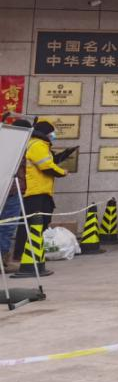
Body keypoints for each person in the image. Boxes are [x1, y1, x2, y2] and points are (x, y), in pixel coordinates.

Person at [10, 120, 66, 274]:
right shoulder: (38, 144)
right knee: (31, 224)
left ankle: (33, 252)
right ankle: (22, 255)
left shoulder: (40, 144)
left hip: (40, 190)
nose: (53, 135)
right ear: (46, 132)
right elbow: (46, 166)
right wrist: (62, 172)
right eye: (52, 132)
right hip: (34, 191)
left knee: (39, 222)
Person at [1, 117, 29, 273]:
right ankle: (3, 261)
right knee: (7, 226)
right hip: (11, 191)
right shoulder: (16, 146)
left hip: (9, 189)